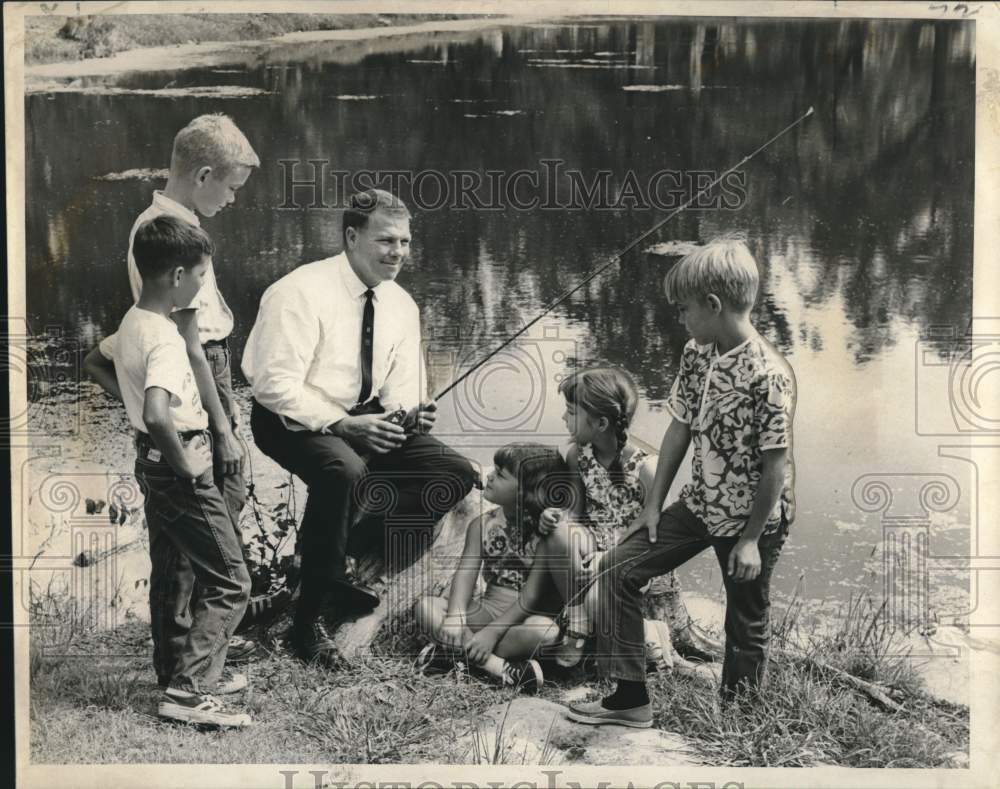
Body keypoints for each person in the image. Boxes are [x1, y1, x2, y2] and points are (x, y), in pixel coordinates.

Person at [566, 238, 796, 728]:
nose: (679, 318)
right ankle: (630, 699)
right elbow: (679, 427)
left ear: (713, 305)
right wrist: (653, 505)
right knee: (616, 570)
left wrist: (752, 539)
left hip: (753, 517)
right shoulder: (698, 352)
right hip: (700, 503)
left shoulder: (768, 376)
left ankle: (740, 724)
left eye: (683, 309)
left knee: (745, 620)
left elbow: (776, 465)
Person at [243, 188, 477, 666]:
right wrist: (344, 425)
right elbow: (271, 384)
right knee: (342, 472)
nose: (398, 254)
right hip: (292, 419)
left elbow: (402, 388)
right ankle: (309, 624)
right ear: (352, 236)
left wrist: (412, 415)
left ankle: (342, 555)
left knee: (454, 474)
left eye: (406, 242)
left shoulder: (402, 304)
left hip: (364, 417)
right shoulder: (298, 291)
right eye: (386, 241)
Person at [84, 113, 261, 681]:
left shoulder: (161, 223)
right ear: (204, 174)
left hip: (187, 388)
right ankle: (189, 670)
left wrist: (138, 414)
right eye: (232, 187)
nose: (233, 199)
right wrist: (225, 427)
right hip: (197, 381)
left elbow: (114, 354)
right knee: (207, 532)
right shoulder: (176, 240)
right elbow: (189, 345)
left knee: (180, 538)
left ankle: (181, 660)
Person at [536, 366, 674, 669]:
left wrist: (608, 559)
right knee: (559, 530)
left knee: (602, 598)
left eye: (571, 412)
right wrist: (555, 516)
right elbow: (577, 513)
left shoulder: (646, 468)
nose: (563, 418)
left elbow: (659, 539)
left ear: (600, 422)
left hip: (634, 559)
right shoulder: (578, 455)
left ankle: (649, 632)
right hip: (593, 546)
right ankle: (578, 623)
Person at [413, 444, 567, 693]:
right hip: (485, 613)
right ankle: (498, 667)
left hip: (521, 622)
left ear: (525, 491)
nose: (490, 476)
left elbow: (531, 596)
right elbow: (465, 573)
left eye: (501, 474)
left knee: (546, 631)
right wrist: (456, 616)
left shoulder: (546, 534)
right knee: (426, 606)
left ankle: (452, 654)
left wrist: (492, 634)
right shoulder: (482, 524)